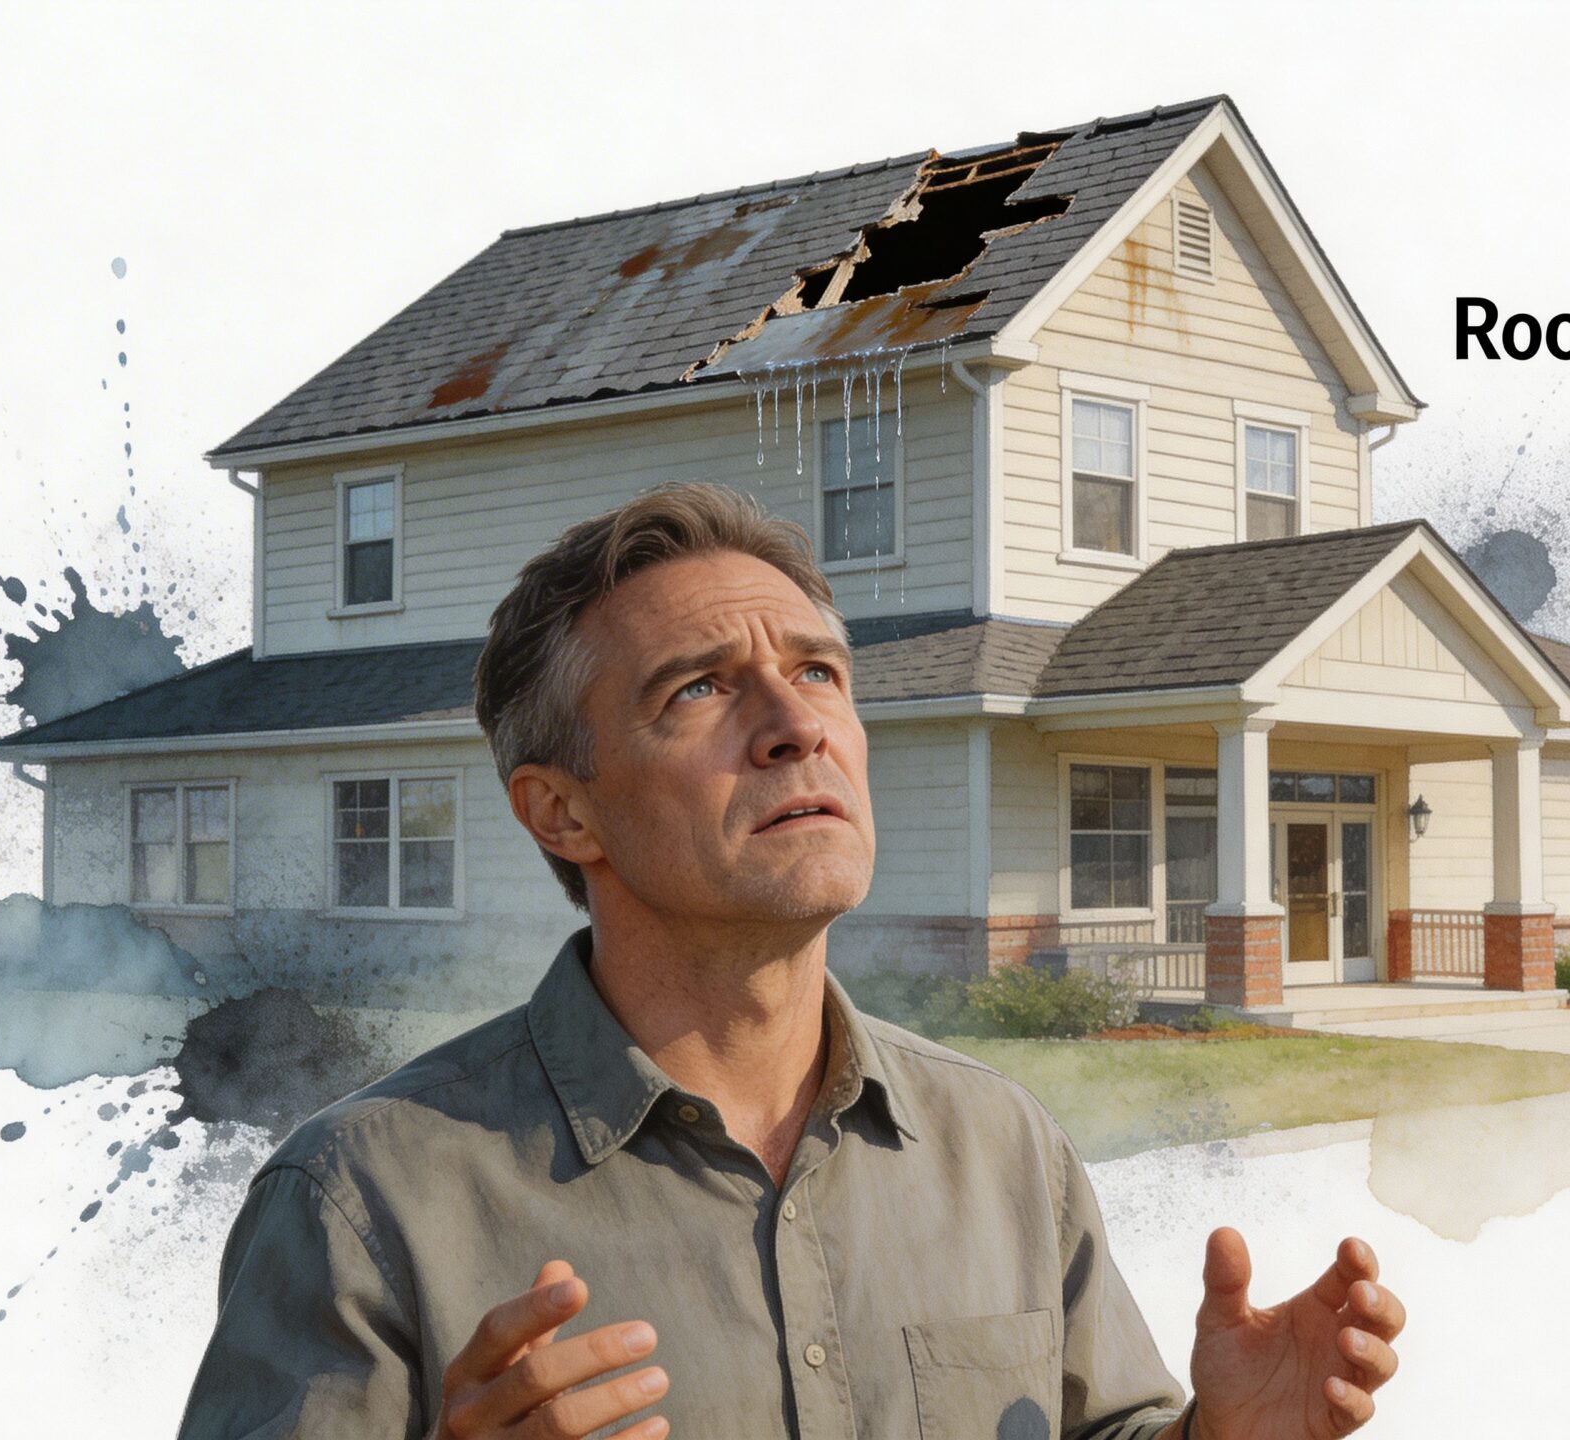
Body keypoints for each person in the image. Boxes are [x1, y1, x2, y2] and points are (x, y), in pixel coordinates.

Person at [176, 481, 1405, 1439]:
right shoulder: (363, 1204)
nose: (796, 724)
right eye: (701, 689)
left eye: (817, 670)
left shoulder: (1004, 1149)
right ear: (563, 814)